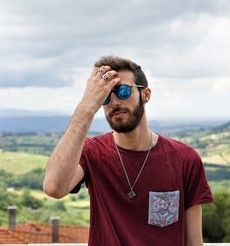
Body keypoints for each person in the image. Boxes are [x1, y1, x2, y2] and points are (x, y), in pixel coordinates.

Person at [43, 56, 213, 246]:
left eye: (123, 91)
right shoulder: (92, 152)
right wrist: (86, 107)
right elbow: (54, 187)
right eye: (105, 96)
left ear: (146, 94)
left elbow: (194, 242)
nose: (114, 102)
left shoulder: (185, 159)